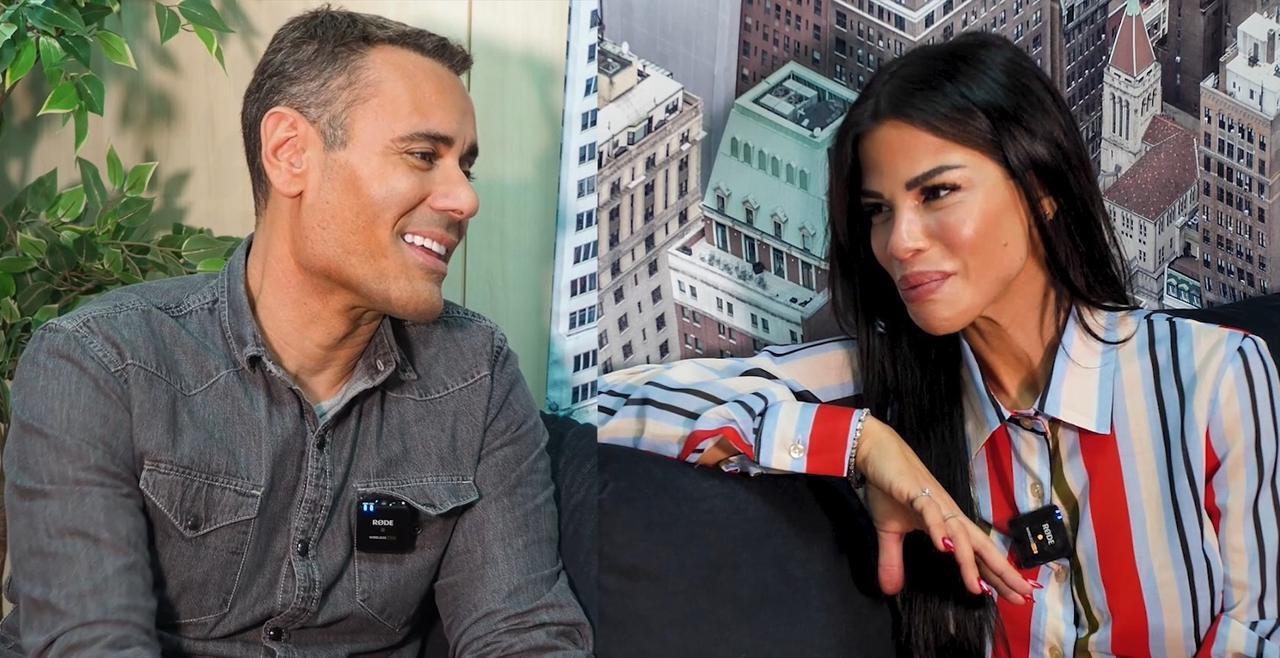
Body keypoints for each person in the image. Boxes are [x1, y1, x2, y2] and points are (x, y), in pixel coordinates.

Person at [599, 31, 1279, 657]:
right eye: (878, 211)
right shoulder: (881, 383)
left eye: (938, 193)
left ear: (1040, 188)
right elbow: (607, 412)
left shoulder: (1216, 378)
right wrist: (864, 446)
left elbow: (1255, 630)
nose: (898, 242)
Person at [2, 8, 591, 656]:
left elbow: (520, 630)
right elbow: (90, 644)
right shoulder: (99, 364)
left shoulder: (475, 375)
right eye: (424, 155)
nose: (465, 199)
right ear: (290, 154)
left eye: (465, 167)